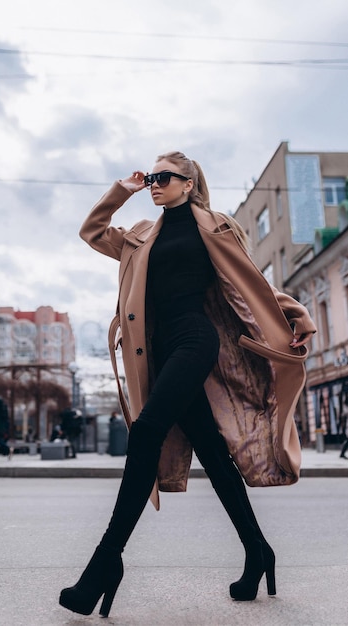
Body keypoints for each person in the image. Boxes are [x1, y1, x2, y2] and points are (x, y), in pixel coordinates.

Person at [59, 151, 316, 617]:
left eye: (163, 177)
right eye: (151, 177)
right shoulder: (140, 235)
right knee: (213, 456)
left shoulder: (216, 226)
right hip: (158, 352)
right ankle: (258, 550)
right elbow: (92, 232)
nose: (155, 183)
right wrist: (123, 189)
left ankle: (104, 563)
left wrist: (294, 310)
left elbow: (248, 282)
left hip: (197, 340)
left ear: (188, 183)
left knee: (147, 430)